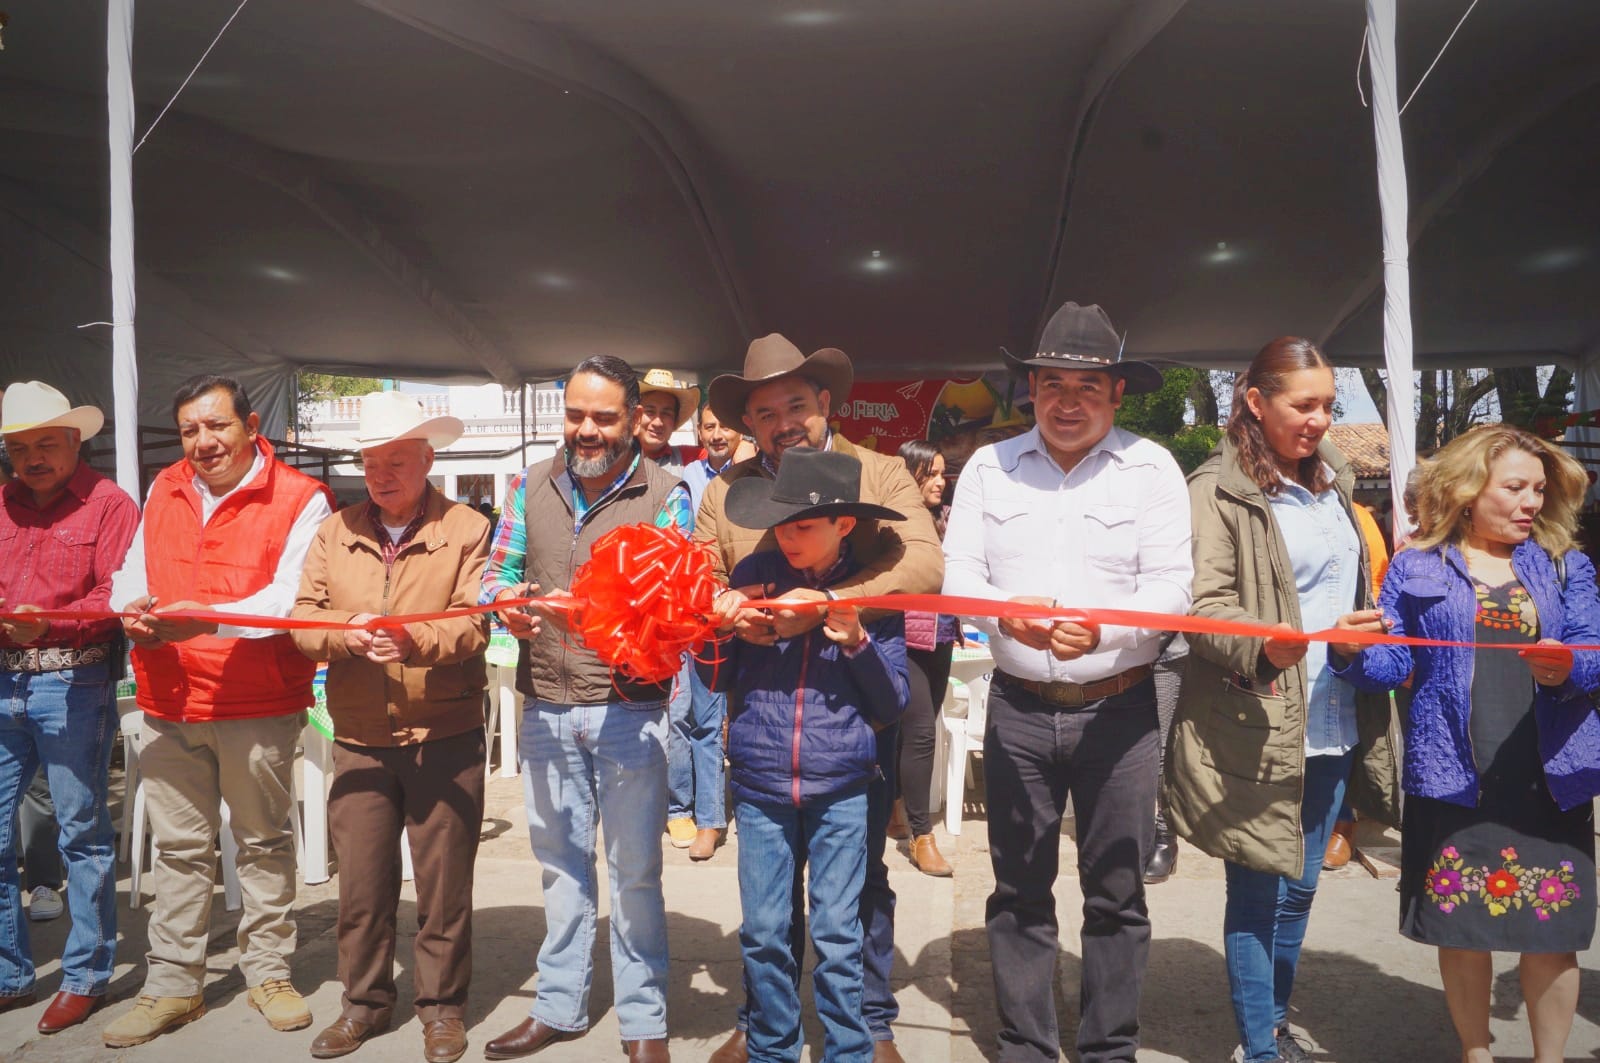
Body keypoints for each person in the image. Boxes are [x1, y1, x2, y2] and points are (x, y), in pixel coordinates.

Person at [943, 301, 1193, 1063]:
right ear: (1031, 392)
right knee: (1020, 893)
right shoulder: (989, 467)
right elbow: (960, 576)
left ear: (1118, 394)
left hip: (1121, 714)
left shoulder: (1152, 468)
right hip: (1018, 710)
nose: (1069, 401)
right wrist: (1000, 615)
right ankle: (1025, 1044)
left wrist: (1107, 629)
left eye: (1089, 385)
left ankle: (1108, 1049)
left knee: (1117, 893)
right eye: (1052, 383)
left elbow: (1173, 589)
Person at [698, 334, 943, 1063]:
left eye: (796, 404)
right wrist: (718, 606)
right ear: (750, 423)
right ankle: (762, 1024)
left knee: (858, 887)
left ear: (826, 403)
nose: (782, 421)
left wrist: (832, 604)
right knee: (766, 914)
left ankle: (868, 1025)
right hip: (765, 727)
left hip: (855, 708)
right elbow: (700, 579)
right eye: (764, 412)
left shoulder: (879, 469)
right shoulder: (725, 491)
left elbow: (925, 564)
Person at [1331, 424, 1600, 1063]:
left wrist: (1569, 668)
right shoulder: (1416, 563)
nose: (1530, 501)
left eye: (1537, 489)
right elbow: (1393, 665)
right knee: (1465, 927)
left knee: (1552, 935)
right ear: (1468, 489)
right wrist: (1349, 653)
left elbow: (1594, 649)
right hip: (1453, 768)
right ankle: (1474, 1055)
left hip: (1548, 770)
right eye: (1514, 487)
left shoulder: (1568, 563)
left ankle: (1550, 1059)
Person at [1164, 337, 1399, 1063]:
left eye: (1329, 403)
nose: (1321, 418)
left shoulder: (1336, 484)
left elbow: (1345, 590)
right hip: (1259, 722)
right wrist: (1266, 643)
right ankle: (1259, 1045)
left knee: (1299, 889)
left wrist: (1363, 629)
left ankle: (1271, 1020)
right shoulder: (1218, 489)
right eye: (1305, 404)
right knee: (1259, 892)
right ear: (1256, 402)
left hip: (1333, 716)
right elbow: (1204, 606)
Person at [105, 374, 334, 1048]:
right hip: (167, 694)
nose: (202, 442)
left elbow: (287, 596)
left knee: (262, 841)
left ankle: (267, 970)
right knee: (178, 849)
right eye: (189, 431)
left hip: (253, 700)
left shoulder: (301, 496)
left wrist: (199, 621)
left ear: (251, 423)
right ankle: (174, 983)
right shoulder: (165, 484)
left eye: (216, 426)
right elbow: (134, 565)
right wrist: (132, 605)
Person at [479, 355, 690, 1063]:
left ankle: (643, 1021)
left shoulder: (667, 493)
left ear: (634, 418)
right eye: (575, 414)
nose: (587, 429)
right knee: (562, 868)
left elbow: (680, 601)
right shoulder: (529, 485)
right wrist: (506, 604)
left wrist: (621, 616)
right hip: (545, 707)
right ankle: (559, 1005)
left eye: (604, 416)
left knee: (634, 875)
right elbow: (495, 575)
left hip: (630, 709)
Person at [290, 393, 491, 1063]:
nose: (380, 474)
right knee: (363, 887)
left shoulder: (466, 526)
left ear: (428, 460)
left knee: (442, 888)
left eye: (396, 460)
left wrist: (414, 642)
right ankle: (364, 1004)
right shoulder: (333, 529)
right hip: (359, 736)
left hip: (445, 732)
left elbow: (476, 620)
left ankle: (441, 1009)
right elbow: (302, 620)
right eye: (370, 461)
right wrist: (345, 640)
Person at [0, 382, 138, 1032]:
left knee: (83, 831)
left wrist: (49, 622)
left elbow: (118, 593)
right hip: (5, 680)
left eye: (45, 443)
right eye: (19, 446)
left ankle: (85, 975)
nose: (31, 457)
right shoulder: (0, 503)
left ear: (74, 440)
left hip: (74, 682)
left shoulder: (109, 504)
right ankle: (9, 971)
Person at [636, 370, 720, 855]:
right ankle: (658, 807)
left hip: (683, 611)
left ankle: (680, 810)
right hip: (631, 613)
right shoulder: (609, 468)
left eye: (668, 413)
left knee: (687, 713)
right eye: (650, 409)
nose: (658, 420)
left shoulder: (687, 471)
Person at [673, 402, 742, 861]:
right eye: (709, 426)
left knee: (710, 720)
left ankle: (711, 820)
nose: (716, 434)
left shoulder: (751, 476)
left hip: (724, 616)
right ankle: (678, 806)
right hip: (678, 615)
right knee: (676, 715)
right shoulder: (684, 476)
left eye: (725, 425)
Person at [889, 438, 957, 877]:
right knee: (919, 735)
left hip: (942, 637)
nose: (940, 481)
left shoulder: (950, 521)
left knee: (918, 728)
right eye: (930, 473)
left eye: (942, 473)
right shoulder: (894, 524)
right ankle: (921, 835)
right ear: (910, 475)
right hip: (904, 638)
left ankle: (896, 806)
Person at [1323, 501, 1393, 871]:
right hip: (1292, 639)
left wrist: (1370, 638)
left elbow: (1377, 578)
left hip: (1347, 642)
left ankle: (1342, 822)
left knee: (1346, 728)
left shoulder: (1356, 514)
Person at [636, 368, 703, 474]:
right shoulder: (615, 458)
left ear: (675, 421)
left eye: (666, 413)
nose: (657, 422)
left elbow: (723, 454)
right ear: (636, 416)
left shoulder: (688, 458)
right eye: (650, 412)